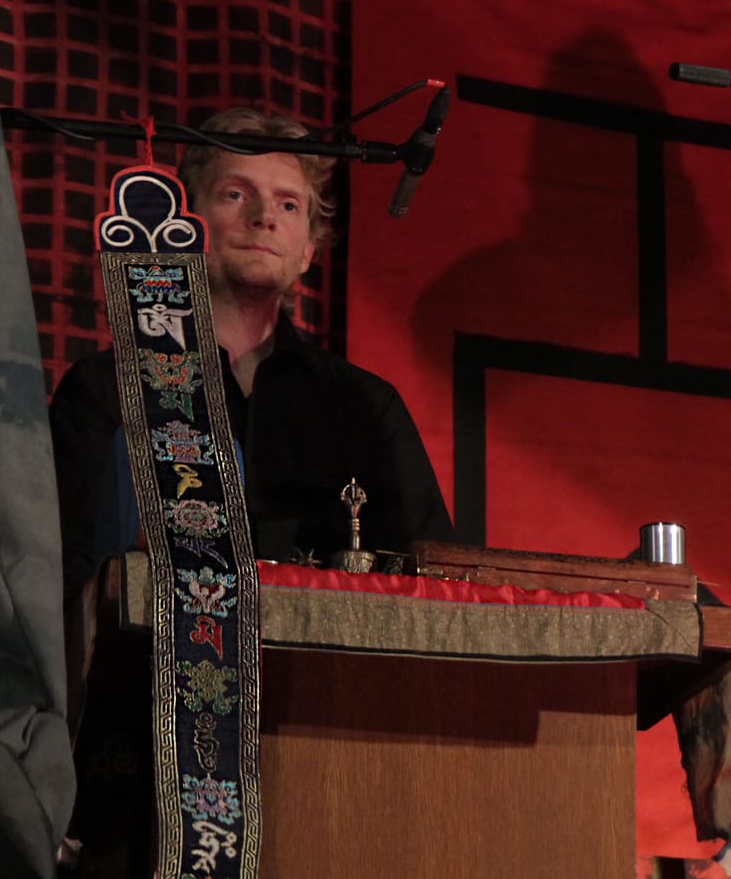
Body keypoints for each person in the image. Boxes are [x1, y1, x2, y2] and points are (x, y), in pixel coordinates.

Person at [49, 107, 454, 595]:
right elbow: (60, 581)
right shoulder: (104, 390)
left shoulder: (366, 407)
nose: (263, 217)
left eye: (288, 205)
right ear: (184, 228)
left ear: (308, 249)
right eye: (235, 194)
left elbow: (437, 582)